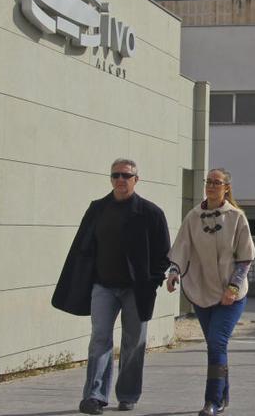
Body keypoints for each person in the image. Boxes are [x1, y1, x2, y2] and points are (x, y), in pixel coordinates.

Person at [51, 158, 171, 415]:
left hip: (136, 290)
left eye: (126, 176)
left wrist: (153, 282)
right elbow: (82, 246)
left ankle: (127, 394)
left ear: (136, 180)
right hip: (103, 286)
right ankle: (94, 396)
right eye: (116, 175)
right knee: (100, 339)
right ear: (110, 179)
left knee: (133, 342)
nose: (120, 180)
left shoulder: (151, 213)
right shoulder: (97, 209)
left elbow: (164, 254)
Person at [166, 168, 255, 416]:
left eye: (216, 182)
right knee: (216, 346)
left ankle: (212, 401)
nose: (211, 186)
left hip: (231, 295)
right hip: (202, 291)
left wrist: (233, 287)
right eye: (208, 181)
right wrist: (174, 272)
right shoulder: (193, 216)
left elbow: (245, 258)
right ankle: (223, 394)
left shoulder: (237, 217)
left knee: (217, 343)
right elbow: (181, 249)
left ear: (226, 187)